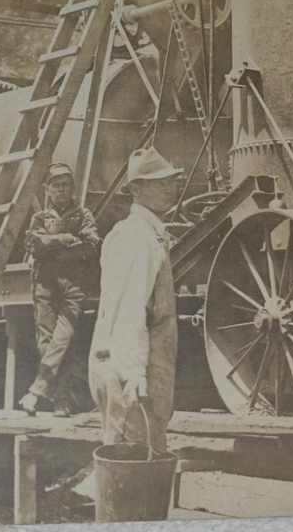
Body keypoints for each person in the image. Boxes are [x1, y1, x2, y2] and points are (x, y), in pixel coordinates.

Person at [89, 147, 183, 452]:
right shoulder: (135, 237)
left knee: (141, 458)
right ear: (136, 189)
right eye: (159, 182)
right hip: (130, 370)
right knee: (132, 462)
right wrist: (133, 372)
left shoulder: (150, 235)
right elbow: (130, 306)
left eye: (171, 181)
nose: (171, 188)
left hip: (137, 366)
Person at [18, 162, 101, 417]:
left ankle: (35, 392)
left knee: (63, 337)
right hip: (45, 283)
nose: (62, 190)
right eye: (56, 186)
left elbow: (91, 245)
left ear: (72, 189)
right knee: (46, 341)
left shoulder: (83, 214)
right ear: (48, 190)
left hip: (73, 286)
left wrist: (52, 246)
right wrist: (66, 240)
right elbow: (34, 243)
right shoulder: (39, 217)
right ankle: (61, 401)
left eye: (66, 185)